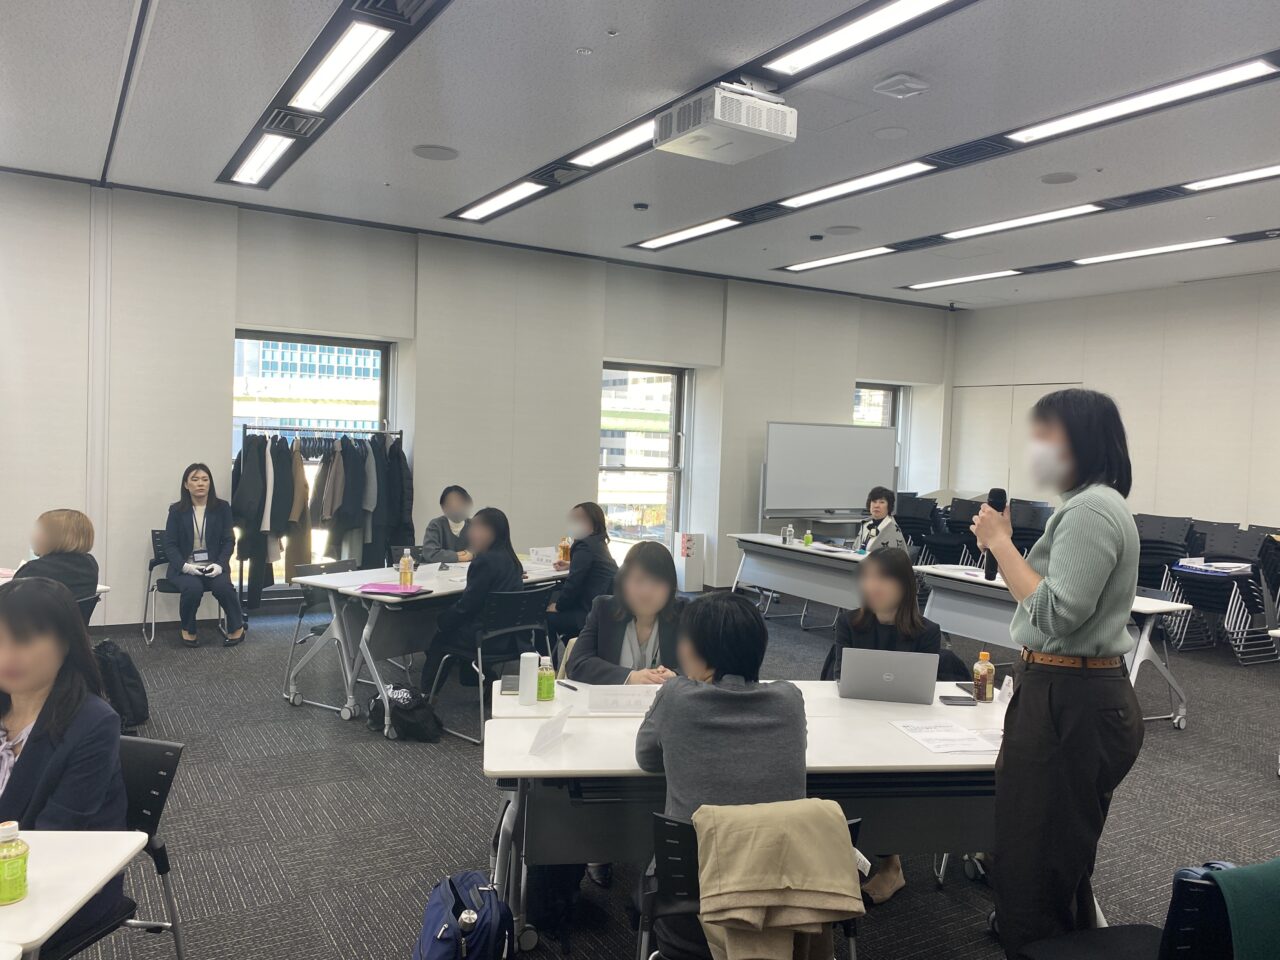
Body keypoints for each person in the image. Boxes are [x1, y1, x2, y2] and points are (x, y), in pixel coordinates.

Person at [969, 388, 1143, 958]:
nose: (1037, 447)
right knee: (1053, 857)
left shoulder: (1090, 510)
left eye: (1048, 435)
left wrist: (1000, 544)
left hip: (1071, 697)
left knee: (1033, 866)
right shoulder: (1088, 505)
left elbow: (1054, 614)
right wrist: (1007, 548)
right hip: (1068, 690)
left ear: (1081, 442)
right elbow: (1043, 602)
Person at [636, 592, 807, 960]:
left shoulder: (676, 696)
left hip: (690, 909)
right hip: (780, 905)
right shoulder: (790, 700)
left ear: (700, 652)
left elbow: (646, 757)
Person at [0, 578, 127, 952]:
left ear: (66, 643)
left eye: (23, 640)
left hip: (59, 881)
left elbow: (54, 837)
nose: (7, 654)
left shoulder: (92, 723)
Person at [823, 547, 941, 904]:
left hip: (906, 725)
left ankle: (892, 863)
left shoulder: (927, 632)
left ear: (903, 585)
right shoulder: (850, 623)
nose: (872, 586)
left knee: (891, 771)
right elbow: (841, 679)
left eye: (883, 578)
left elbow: (924, 688)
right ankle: (849, 850)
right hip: (854, 720)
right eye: (868, 578)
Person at [420, 507, 523, 690]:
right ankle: (481, 679)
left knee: (440, 637)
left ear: (490, 532)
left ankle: (426, 695)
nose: (470, 533)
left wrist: (442, 620)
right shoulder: (512, 560)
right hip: (509, 636)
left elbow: (467, 606)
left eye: (475, 528)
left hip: (484, 638)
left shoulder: (484, 561)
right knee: (454, 626)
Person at [567, 541, 682, 685]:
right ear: (623, 582)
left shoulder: (684, 614)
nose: (646, 592)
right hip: (611, 699)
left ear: (671, 587)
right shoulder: (604, 609)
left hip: (666, 698)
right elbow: (577, 664)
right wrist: (630, 677)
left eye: (657, 582)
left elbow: (704, 666)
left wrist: (675, 675)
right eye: (638, 580)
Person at [164, 463, 245, 648]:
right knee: (192, 589)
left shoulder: (222, 508)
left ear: (210, 483)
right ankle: (188, 629)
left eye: (205, 479)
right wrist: (185, 566)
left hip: (213, 566)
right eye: (195, 479)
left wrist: (220, 564)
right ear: (186, 485)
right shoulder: (176, 510)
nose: (200, 483)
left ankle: (237, 627)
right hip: (185, 568)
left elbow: (229, 540)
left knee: (224, 587)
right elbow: (169, 545)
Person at [547, 502, 619, 644]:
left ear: (593, 522)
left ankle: (549, 659)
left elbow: (573, 584)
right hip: (605, 611)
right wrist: (571, 565)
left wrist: (559, 606)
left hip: (587, 613)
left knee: (545, 616)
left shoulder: (584, 545)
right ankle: (575, 648)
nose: (574, 524)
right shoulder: (598, 543)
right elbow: (596, 567)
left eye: (578, 519)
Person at [13, 509, 99, 606]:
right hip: (73, 616)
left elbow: (9, 606)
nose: (33, 536)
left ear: (51, 537)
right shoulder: (90, 564)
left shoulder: (33, 570)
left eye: (39, 531)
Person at [422, 485, 473, 563]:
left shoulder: (473, 525)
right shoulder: (435, 525)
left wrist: (473, 554)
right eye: (451, 503)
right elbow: (430, 553)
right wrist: (460, 557)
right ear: (443, 507)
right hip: (441, 570)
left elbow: (482, 551)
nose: (456, 506)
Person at [854, 485, 908, 553]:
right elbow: (855, 549)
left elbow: (892, 558)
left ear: (889, 506)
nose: (876, 506)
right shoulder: (866, 524)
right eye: (874, 501)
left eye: (882, 502)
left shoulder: (892, 528)